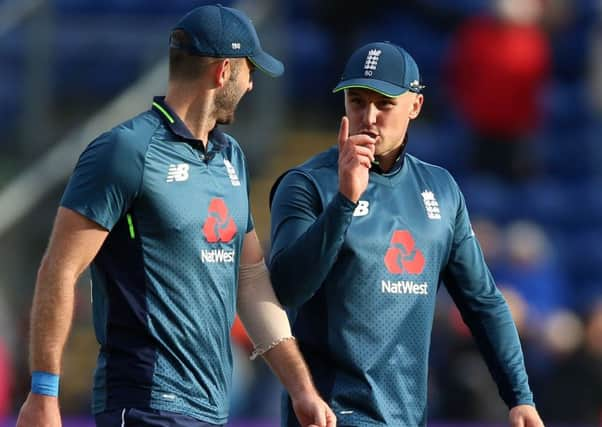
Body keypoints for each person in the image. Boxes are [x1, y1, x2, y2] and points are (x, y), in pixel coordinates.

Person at [16, 5, 335, 427]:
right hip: (145, 405)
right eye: (249, 70)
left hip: (211, 411)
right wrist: (43, 392)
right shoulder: (125, 151)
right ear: (223, 72)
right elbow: (59, 270)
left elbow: (251, 277)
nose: (253, 84)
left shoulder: (230, 157)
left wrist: (300, 388)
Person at [269, 41, 544, 427]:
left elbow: (483, 302)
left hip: (408, 418)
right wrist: (345, 201)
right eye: (357, 101)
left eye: (384, 104)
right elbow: (287, 289)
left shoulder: (441, 190)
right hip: (329, 416)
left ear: (414, 106)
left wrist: (520, 397)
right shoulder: (306, 185)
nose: (369, 116)